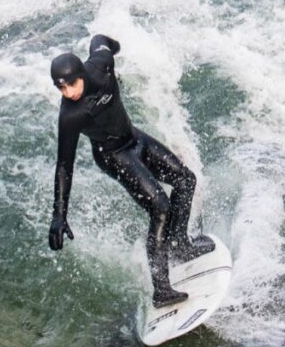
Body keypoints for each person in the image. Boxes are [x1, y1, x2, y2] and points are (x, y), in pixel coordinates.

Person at [48, 34, 214, 307]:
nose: (68, 93)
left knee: (186, 180)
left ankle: (180, 245)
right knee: (160, 207)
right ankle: (161, 289)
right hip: (113, 156)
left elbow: (101, 40)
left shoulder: (102, 64)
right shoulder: (70, 116)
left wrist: (117, 47)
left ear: (82, 74)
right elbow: (64, 165)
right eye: (61, 88)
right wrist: (59, 215)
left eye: (71, 85)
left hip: (134, 139)